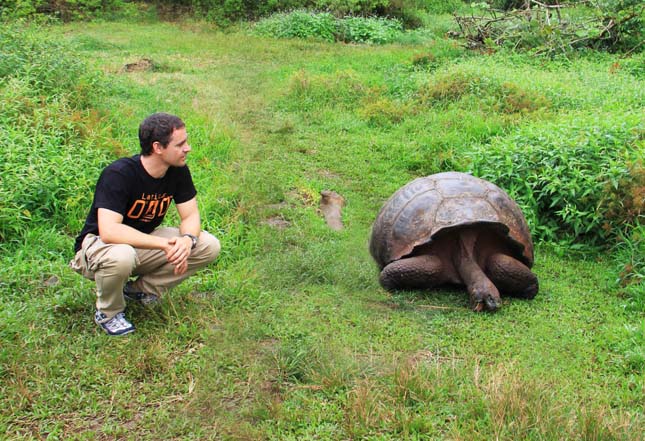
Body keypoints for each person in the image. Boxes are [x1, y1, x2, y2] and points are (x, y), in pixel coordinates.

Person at [70, 113, 221, 336]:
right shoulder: (119, 174)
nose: (187, 148)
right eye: (180, 144)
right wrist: (165, 246)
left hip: (139, 245)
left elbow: (190, 216)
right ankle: (109, 313)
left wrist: (187, 241)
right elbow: (109, 231)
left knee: (207, 244)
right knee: (122, 255)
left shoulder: (177, 171)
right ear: (158, 147)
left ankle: (139, 291)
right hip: (96, 248)